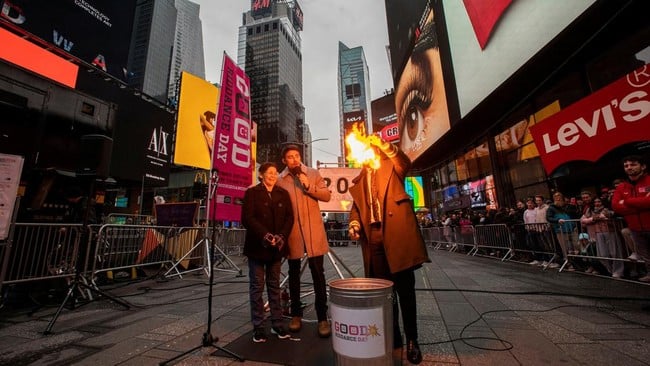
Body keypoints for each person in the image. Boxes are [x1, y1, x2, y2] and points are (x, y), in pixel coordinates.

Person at [348, 135, 430, 365]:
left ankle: (412, 340)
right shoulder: (361, 177)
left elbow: (404, 160)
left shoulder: (391, 167)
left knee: (405, 290)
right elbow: (356, 207)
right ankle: (394, 337)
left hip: (396, 235)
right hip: (373, 238)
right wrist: (354, 223)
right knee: (385, 292)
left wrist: (383, 144)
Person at [277, 144, 332, 337]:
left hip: (313, 233)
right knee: (293, 275)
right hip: (293, 234)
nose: (295, 159)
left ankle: (323, 318)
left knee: (318, 274)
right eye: (290, 157)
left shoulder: (313, 173)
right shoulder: (279, 180)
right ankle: (295, 315)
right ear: (284, 160)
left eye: (297, 156)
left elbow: (326, 195)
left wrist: (308, 185)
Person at [241, 162, 294, 343]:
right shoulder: (252, 193)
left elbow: (290, 218)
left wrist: (281, 236)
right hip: (257, 247)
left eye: (275, 172)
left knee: (274, 286)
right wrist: (265, 235)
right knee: (257, 286)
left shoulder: (283, 194)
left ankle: (277, 324)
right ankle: (258, 326)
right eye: (269, 172)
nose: (273, 175)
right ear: (261, 174)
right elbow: (247, 218)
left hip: (276, 248)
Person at [611, 155, 650, 282]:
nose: (629, 168)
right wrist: (642, 203)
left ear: (643, 166)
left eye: (633, 164)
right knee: (646, 255)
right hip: (635, 228)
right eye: (626, 166)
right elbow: (616, 207)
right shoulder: (621, 187)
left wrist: (627, 201)